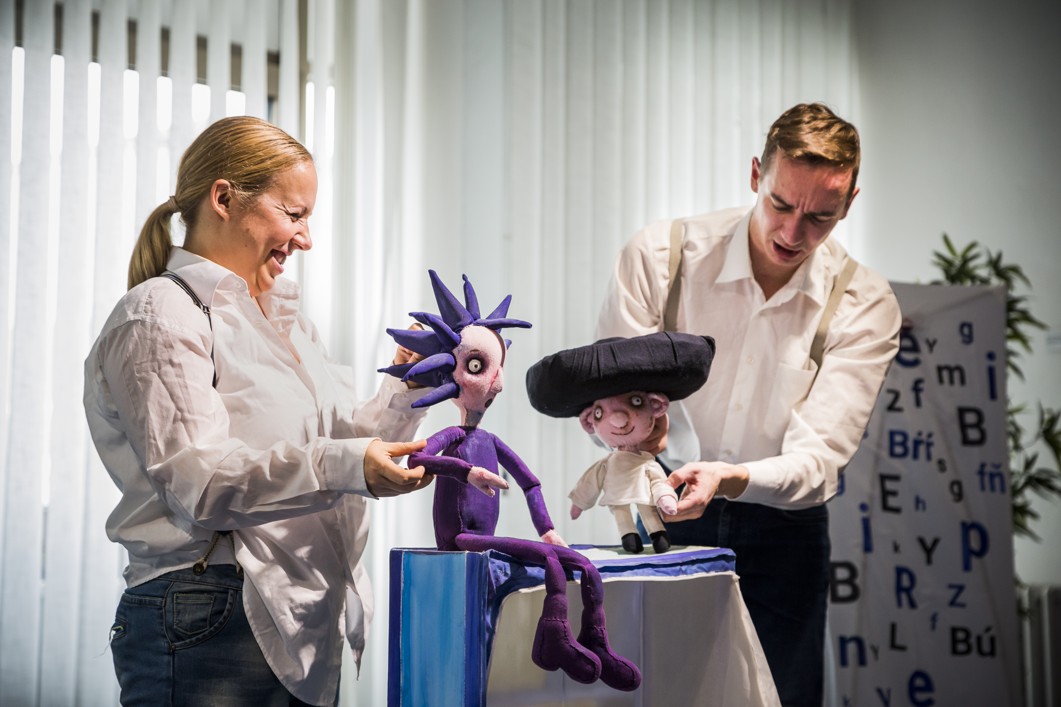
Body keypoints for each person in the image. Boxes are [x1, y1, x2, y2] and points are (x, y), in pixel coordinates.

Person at [83, 115, 433, 706]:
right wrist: (348, 463)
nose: (305, 239)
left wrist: (408, 388)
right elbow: (201, 482)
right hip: (212, 612)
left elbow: (341, 443)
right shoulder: (160, 315)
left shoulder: (288, 322)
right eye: (294, 214)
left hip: (297, 619)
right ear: (223, 199)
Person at [596, 102, 902, 707]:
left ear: (850, 202)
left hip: (786, 533)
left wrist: (731, 478)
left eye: (820, 217)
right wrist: (634, 435)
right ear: (756, 173)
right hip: (662, 513)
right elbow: (609, 406)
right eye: (781, 204)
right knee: (652, 694)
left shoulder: (864, 303)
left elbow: (819, 460)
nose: (792, 233)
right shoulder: (662, 257)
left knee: (781, 698)